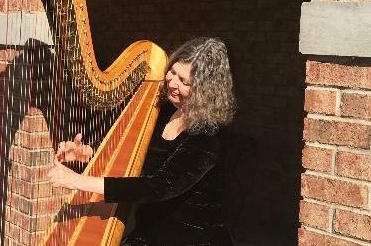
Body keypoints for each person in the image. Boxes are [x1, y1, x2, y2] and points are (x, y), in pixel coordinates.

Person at [47, 37, 236, 245]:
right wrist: (87, 153)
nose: (172, 83)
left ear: (204, 91)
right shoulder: (162, 111)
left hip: (192, 237)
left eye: (184, 82)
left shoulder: (209, 135)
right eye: (172, 71)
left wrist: (77, 181)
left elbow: (159, 186)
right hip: (151, 229)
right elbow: (141, 159)